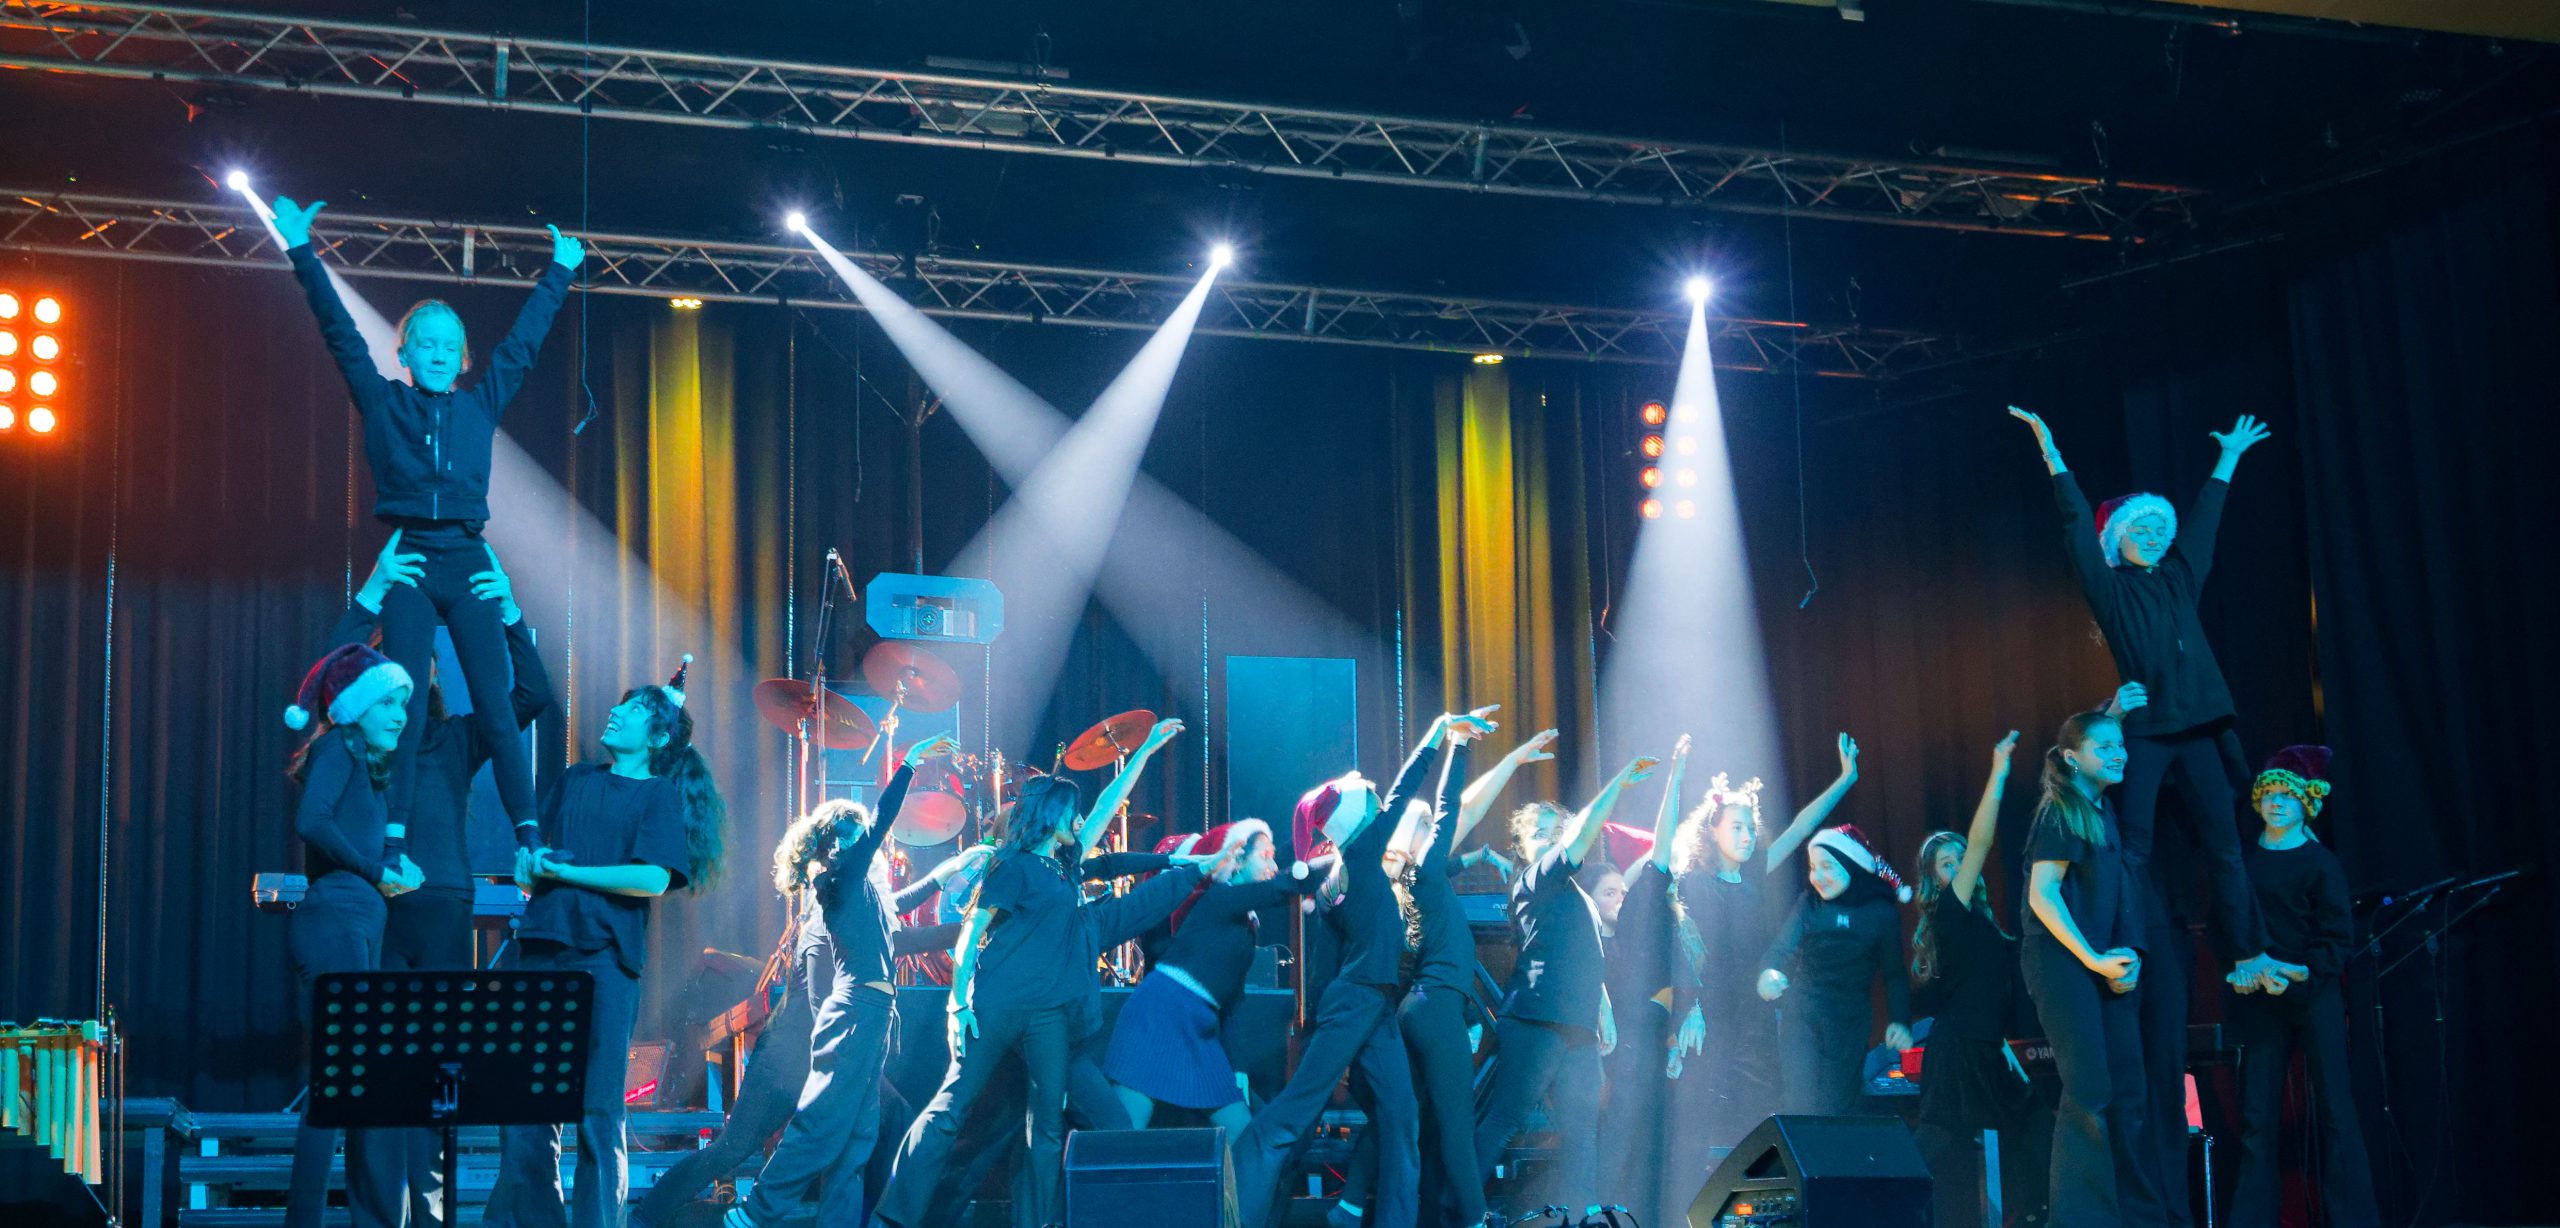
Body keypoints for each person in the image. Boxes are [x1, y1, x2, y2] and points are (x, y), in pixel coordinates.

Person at [2010, 406, 2305, 1225]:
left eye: (2156, 528)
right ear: (2119, 541)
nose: (2149, 535)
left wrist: (2227, 462)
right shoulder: (2109, 590)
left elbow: (2203, 530)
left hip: (2199, 727)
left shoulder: (2179, 578)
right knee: (2131, 849)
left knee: (2225, 846)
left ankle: (2246, 953)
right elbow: (2075, 531)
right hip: (2145, 731)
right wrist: (2054, 454)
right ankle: (2125, 943)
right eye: (2136, 527)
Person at [271, 194, 581, 874]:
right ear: (405, 352)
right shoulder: (383, 401)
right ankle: (394, 842)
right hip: (409, 557)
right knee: (407, 706)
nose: (438, 354)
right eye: (426, 344)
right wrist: (301, 251)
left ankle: (530, 841)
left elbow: (522, 349)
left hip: (467, 559)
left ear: (463, 358)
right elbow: (339, 333)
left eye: (449, 346)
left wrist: (559, 271)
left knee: (496, 707)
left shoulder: (479, 405)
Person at [874, 719, 1189, 1228]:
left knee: (1045, 1129)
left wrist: (1146, 751)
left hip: (1048, 1016)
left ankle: (1041, 1222)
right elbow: (971, 932)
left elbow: (1107, 805)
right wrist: (957, 1002)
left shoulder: (1066, 866)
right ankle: (894, 1215)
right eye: (1070, 811)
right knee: (951, 1110)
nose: (1080, 819)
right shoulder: (1012, 864)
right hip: (996, 1007)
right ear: (1050, 814)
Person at [327, 532, 555, 1227]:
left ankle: (431, 1214)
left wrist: (510, 612)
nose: (407, 680)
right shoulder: (362, 742)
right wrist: (370, 597)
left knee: (436, 1071)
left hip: (444, 907)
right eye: (393, 670)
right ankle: (378, 1213)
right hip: (377, 906)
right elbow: (325, 673)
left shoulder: (460, 736)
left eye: (418, 666)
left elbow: (532, 695)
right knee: (374, 1067)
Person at [484, 659, 728, 1228]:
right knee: (525, 1111)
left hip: (603, 963)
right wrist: (530, 863)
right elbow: (537, 857)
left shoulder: (656, 795)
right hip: (540, 949)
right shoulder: (576, 779)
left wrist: (568, 874)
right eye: (622, 704)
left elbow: (654, 878)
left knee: (597, 1113)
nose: (617, 712)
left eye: (635, 710)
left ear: (658, 738)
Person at [1228, 712, 1482, 1228]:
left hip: (1373, 1005)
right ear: (1354, 817)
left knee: (1402, 1119)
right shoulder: (1361, 851)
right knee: (1297, 1111)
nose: (1375, 796)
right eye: (1367, 796)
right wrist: (1442, 735)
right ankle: (1233, 1195)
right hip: (1357, 1003)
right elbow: (1409, 787)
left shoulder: (1335, 872)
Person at [726, 732, 960, 1228]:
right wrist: (910, 764)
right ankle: (755, 1212)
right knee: (821, 1123)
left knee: (856, 1143)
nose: (876, 848)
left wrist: (951, 870)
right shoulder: (838, 881)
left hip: (873, 1015)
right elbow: (880, 824)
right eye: (862, 839)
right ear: (841, 846)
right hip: (853, 1014)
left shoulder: (864, 895)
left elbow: (898, 907)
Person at [1471, 751, 1660, 1215]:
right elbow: (1581, 835)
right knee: (1505, 1121)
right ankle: (1459, 1211)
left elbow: (1584, 957)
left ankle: (1584, 1215)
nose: (1551, 840)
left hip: (1577, 1028)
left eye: (1556, 831)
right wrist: (1616, 784)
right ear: (1522, 846)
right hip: (1536, 1020)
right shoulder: (1536, 879)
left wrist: (1602, 1010)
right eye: (1540, 834)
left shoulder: (1577, 895)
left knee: (1582, 1132)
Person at [1665, 734, 1862, 1156]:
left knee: (1757, 1119)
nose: (1747, 836)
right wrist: (1689, 1009)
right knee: (1707, 1125)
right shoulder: (1694, 884)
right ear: (1713, 830)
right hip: (1710, 1014)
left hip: (1753, 1015)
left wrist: (1845, 779)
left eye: (1751, 828)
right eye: (1737, 827)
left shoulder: (1754, 875)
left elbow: (1801, 827)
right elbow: (1682, 954)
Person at [280, 643, 419, 1228]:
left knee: (352, 1083)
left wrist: (392, 870)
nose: (400, 715)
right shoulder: (337, 746)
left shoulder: (367, 764)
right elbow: (311, 821)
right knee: (336, 1083)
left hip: (356, 924)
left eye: (403, 705)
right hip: (334, 920)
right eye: (387, 703)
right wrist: (374, 871)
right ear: (357, 706)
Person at [2018, 710, 2162, 1228]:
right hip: (2061, 963)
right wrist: (2093, 959)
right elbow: (2043, 895)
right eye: (2105, 747)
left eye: (2121, 745)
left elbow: (2119, 897)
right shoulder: (2060, 811)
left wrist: (2127, 958)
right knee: (2089, 1091)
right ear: (2073, 758)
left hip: (2101, 964)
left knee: (2128, 1091)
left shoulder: (2104, 811)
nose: (2119, 754)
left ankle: (2139, 1217)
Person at [2227, 746, 2380, 1228]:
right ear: (2258, 801)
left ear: (2306, 805)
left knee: (2336, 1109)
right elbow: (2227, 923)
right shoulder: (2243, 862)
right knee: (2258, 1117)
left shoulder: (2320, 863)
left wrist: (2296, 974)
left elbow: (2337, 938)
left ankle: (2354, 1220)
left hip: (2313, 997)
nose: (2277, 803)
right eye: (2270, 794)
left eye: (2287, 796)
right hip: (2261, 999)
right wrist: (2245, 967)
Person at [1104, 818, 1317, 1134]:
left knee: (1242, 1135)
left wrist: (1238, 1066)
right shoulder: (1219, 897)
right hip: (1158, 1016)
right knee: (1126, 1134)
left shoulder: (1246, 926)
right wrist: (1326, 865)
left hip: (1197, 1029)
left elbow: (1233, 1001)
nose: (1273, 866)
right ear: (1237, 860)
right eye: (1265, 856)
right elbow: (1278, 890)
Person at [1909, 731, 2043, 1228]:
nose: (1961, 867)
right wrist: (1999, 772)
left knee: (2034, 1129)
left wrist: (2006, 1050)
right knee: (1936, 1145)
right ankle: (1874, 1205)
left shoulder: (1982, 923)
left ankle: (2033, 1217)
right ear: (1936, 879)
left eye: (1960, 860)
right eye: (1948, 864)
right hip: (1957, 1052)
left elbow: (1986, 994)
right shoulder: (1951, 913)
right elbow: (1982, 841)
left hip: (1985, 1047)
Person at [1601, 735, 1706, 1228]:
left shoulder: (1667, 918)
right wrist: (1676, 779)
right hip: (1634, 1048)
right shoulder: (1642, 904)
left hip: (1655, 1047)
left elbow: (1678, 984)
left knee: (1651, 1152)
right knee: (1625, 1147)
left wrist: (1684, 1016)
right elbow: (1661, 850)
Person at [1756, 821, 1914, 1116]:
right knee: (1800, 1101)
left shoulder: (1881, 914)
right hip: (1803, 1013)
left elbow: (1894, 974)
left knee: (1836, 1105)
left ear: (1850, 864)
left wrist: (1900, 1021)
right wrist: (1769, 971)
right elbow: (1780, 949)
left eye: (1826, 867)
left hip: (1849, 1022)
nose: (1817, 876)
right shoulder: (1809, 904)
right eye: (1813, 867)